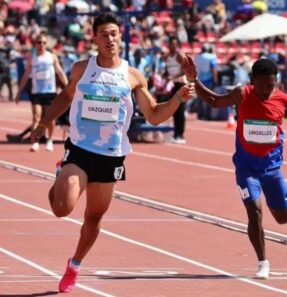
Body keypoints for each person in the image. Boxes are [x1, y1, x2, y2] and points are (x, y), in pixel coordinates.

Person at [30, 12, 195, 293]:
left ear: (121, 36)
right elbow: (66, 97)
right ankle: (62, 173)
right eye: (104, 34)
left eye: (114, 34)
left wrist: (178, 98)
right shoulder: (82, 69)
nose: (110, 39)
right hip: (80, 150)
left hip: (111, 156)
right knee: (61, 208)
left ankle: (75, 265)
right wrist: (44, 121)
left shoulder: (132, 76)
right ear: (94, 38)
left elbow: (154, 115)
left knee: (93, 219)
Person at [182, 56, 287, 279]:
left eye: (271, 85)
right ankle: (263, 261)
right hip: (247, 170)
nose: (266, 90)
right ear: (252, 80)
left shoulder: (283, 100)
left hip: (272, 168)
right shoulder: (242, 94)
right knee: (254, 212)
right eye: (262, 85)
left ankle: (281, 192)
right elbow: (215, 101)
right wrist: (194, 80)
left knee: (283, 218)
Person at [15, 33, 68, 152]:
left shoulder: (52, 57)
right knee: (36, 117)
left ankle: (49, 139)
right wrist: (19, 91)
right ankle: (35, 141)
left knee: (49, 118)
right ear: (35, 44)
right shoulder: (31, 58)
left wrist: (68, 86)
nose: (42, 45)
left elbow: (60, 72)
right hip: (36, 92)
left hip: (49, 92)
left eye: (44, 43)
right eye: (39, 43)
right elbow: (25, 75)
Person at [165, 36, 187, 144]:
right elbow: (167, 70)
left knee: (180, 109)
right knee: (173, 109)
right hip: (172, 84)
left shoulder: (179, 55)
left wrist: (173, 76)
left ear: (177, 45)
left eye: (174, 44)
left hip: (180, 84)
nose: (172, 45)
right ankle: (175, 133)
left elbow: (186, 70)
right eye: (171, 43)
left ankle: (180, 134)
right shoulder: (167, 56)